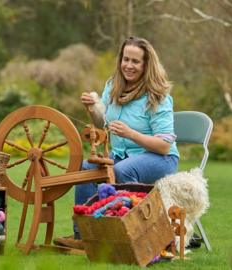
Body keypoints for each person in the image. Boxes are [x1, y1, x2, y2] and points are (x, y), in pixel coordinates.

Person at [54, 36, 179, 249]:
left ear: (147, 65)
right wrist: (93, 107)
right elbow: (102, 123)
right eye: (125, 59)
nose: (128, 66)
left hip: (159, 158)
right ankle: (83, 237)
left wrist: (131, 134)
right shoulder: (113, 86)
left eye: (135, 61)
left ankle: (124, 237)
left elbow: (164, 145)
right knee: (87, 169)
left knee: (121, 171)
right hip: (121, 155)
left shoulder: (158, 96)